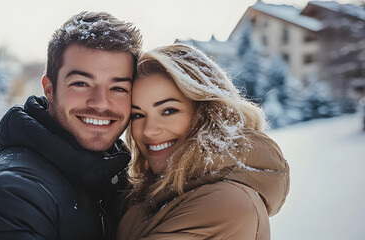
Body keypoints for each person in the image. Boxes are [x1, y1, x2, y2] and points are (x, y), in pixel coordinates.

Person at [0, 11, 142, 240]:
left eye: (118, 88)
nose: (100, 103)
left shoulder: (114, 187)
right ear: (49, 89)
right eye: (81, 83)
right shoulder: (6, 196)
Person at [116, 44, 290, 239]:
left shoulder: (225, 203)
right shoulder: (161, 190)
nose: (149, 130)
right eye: (137, 115)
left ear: (209, 114)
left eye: (168, 111)